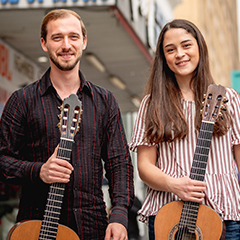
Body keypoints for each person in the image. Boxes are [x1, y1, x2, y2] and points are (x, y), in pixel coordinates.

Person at [0, 9, 134, 240]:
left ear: (83, 42)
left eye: (73, 37)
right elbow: (2, 160)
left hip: (91, 226)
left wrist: (120, 215)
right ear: (44, 43)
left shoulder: (104, 101)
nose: (66, 45)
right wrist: (38, 170)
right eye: (57, 37)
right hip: (35, 224)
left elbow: (119, 163)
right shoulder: (22, 100)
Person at [129, 19, 240, 239]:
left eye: (186, 45)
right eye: (170, 49)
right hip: (168, 214)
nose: (180, 54)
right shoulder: (152, 104)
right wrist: (174, 184)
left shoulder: (230, 99)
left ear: (199, 47)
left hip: (225, 211)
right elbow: (144, 166)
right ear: (164, 58)